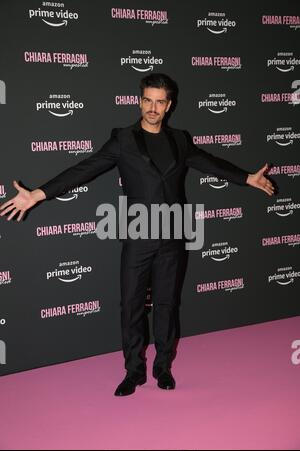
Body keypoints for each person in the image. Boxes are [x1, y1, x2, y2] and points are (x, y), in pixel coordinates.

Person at [0, 74, 275, 396]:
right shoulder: (123, 139)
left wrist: (246, 178)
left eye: (160, 101)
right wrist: (38, 194)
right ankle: (133, 371)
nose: (153, 108)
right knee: (131, 305)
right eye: (147, 100)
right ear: (140, 101)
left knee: (166, 304)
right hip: (138, 234)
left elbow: (210, 163)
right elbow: (84, 169)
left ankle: (163, 367)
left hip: (173, 233)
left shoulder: (180, 140)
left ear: (169, 105)